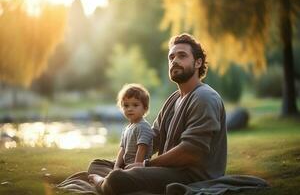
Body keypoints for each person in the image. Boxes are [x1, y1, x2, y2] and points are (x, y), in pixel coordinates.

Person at [57, 33, 227, 195]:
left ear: (198, 63)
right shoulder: (174, 98)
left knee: (117, 178)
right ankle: (115, 180)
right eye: (171, 57)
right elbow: (153, 138)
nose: (174, 60)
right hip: (166, 171)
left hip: (191, 177)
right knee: (98, 164)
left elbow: (192, 152)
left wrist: (145, 165)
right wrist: (128, 160)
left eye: (182, 56)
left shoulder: (204, 97)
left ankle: (103, 183)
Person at [88, 83, 154, 186]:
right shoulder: (127, 128)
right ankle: (113, 177)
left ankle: (104, 181)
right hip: (125, 166)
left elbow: (142, 148)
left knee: (117, 177)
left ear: (145, 108)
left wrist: (135, 169)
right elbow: (122, 150)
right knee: (95, 164)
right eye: (126, 105)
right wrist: (116, 166)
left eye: (135, 105)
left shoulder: (143, 127)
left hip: (139, 169)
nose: (130, 109)